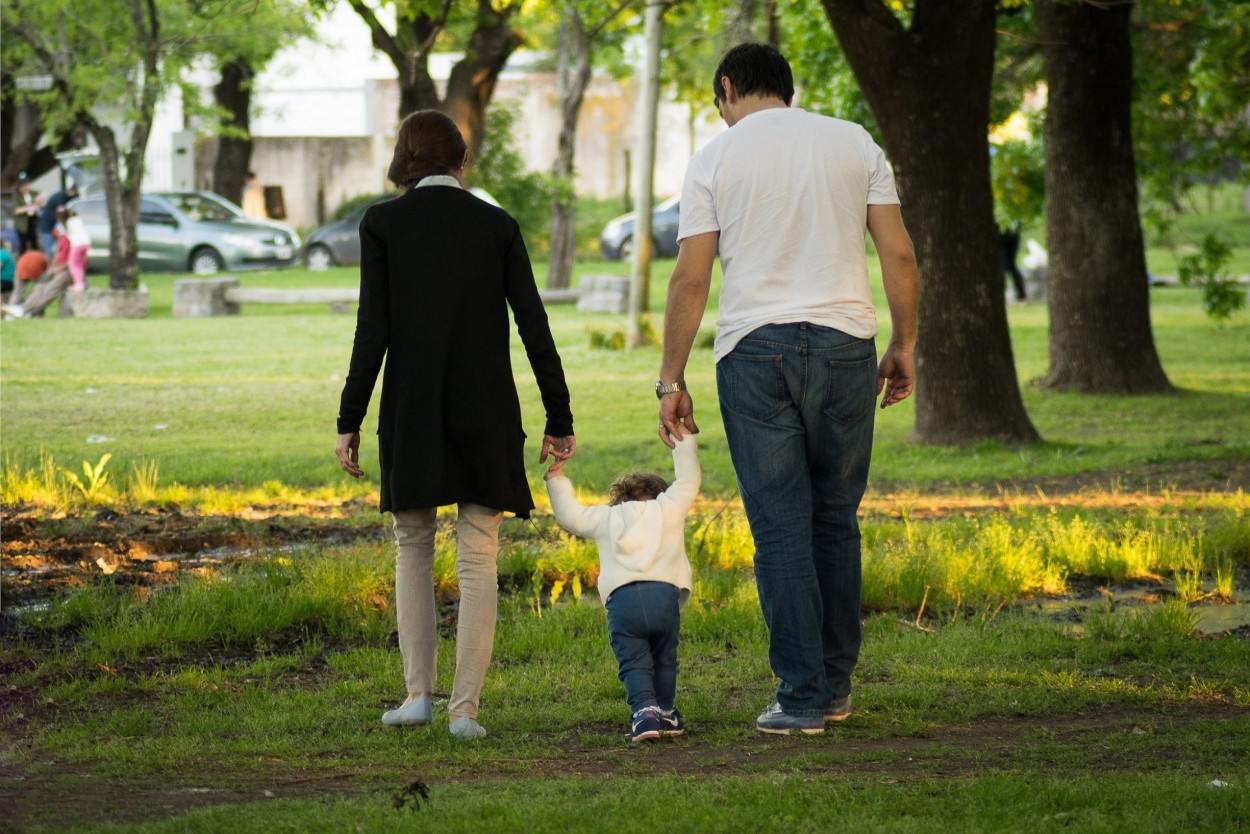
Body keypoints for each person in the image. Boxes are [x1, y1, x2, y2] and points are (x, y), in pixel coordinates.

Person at [656, 44, 920, 735]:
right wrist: (905, 343)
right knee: (835, 519)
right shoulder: (853, 142)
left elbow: (691, 277)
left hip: (755, 353)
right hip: (844, 348)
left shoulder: (716, 156)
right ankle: (833, 690)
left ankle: (801, 698)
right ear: (788, 89)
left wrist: (670, 378)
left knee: (779, 530)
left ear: (728, 87)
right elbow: (897, 251)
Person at [335, 110, 576, 741]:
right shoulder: (496, 225)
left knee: (412, 545)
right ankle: (464, 711)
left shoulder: (382, 223)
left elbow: (373, 328)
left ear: (403, 158)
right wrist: (559, 414)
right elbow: (533, 324)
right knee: (479, 558)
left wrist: (349, 417)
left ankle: (417, 694)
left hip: (411, 408)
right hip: (487, 408)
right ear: (461, 160)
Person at [545, 434, 700, 742]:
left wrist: (556, 477)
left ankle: (644, 713)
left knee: (634, 661)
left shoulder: (606, 517)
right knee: (665, 658)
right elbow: (689, 480)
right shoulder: (668, 508)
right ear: (660, 494)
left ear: (619, 500)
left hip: (623, 602)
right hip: (664, 598)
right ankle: (666, 711)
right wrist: (683, 442)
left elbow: (570, 516)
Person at [2, 234, 72, 319]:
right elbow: (47, 271)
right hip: (33, 271)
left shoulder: (28, 254)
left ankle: (11, 312)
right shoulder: (44, 258)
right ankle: (35, 312)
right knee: (38, 289)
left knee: (17, 292)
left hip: (19, 271)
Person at [38, 182, 77, 259]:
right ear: (70, 191)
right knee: (48, 248)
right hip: (47, 225)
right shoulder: (60, 198)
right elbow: (61, 211)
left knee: (53, 248)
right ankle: (47, 265)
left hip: (51, 225)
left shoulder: (62, 196)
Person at [63, 206, 91, 291]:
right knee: (81, 265)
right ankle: (82, 283)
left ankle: (79, 284)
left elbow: (68, 235)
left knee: (73, 265)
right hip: (86, 243)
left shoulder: (69, 222)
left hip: (77, 244)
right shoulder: (78, 220)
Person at [999, 225, 1026, 302]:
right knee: (1011, 266)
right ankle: (1021, 296)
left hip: (1003, 235)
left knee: (1003, 267)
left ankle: (1002, 295)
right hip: (1013, 234)